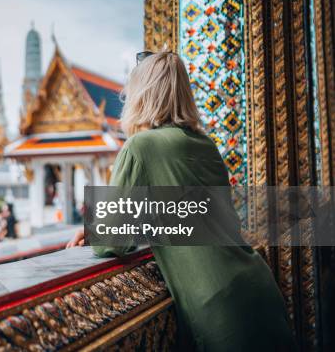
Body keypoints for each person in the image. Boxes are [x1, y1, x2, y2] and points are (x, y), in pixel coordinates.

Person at [67, 52, 295, 351]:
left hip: (220, 308)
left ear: (141, 96)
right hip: (258, 288)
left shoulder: (140, 147)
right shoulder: (206, 145)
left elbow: (112, 241)